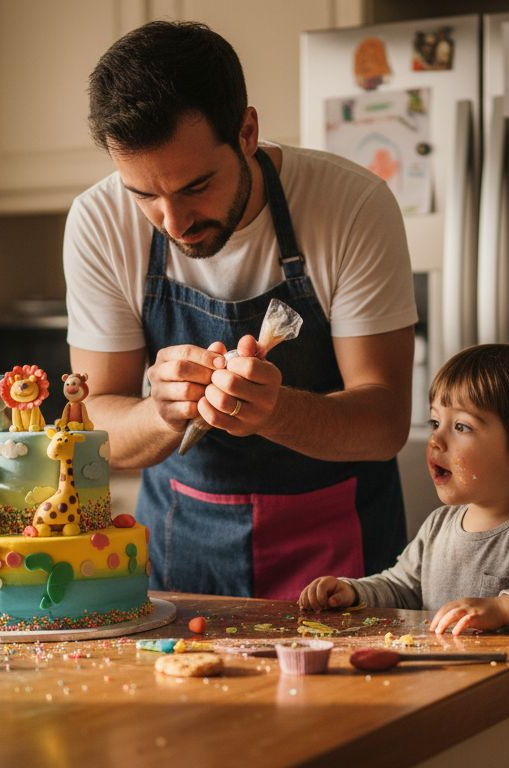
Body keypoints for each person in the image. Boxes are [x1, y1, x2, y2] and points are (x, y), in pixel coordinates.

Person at [63, 21, 416, 601]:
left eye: (196, 185)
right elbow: (91, 426)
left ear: (247, 132)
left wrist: (275, 412)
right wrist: (161, 412)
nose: (174, 222)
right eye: (145, 195)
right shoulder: (98, 222)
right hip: (184, 545)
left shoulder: (350, 205)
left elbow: (383, 423)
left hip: (341, 552)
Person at [298, 344, 509, 768]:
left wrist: (505, 609)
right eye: (436, 422)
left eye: (462, 427)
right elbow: (403, 586)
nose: (436, 439)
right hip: (454, 706)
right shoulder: (440, 525)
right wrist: (354, 592)